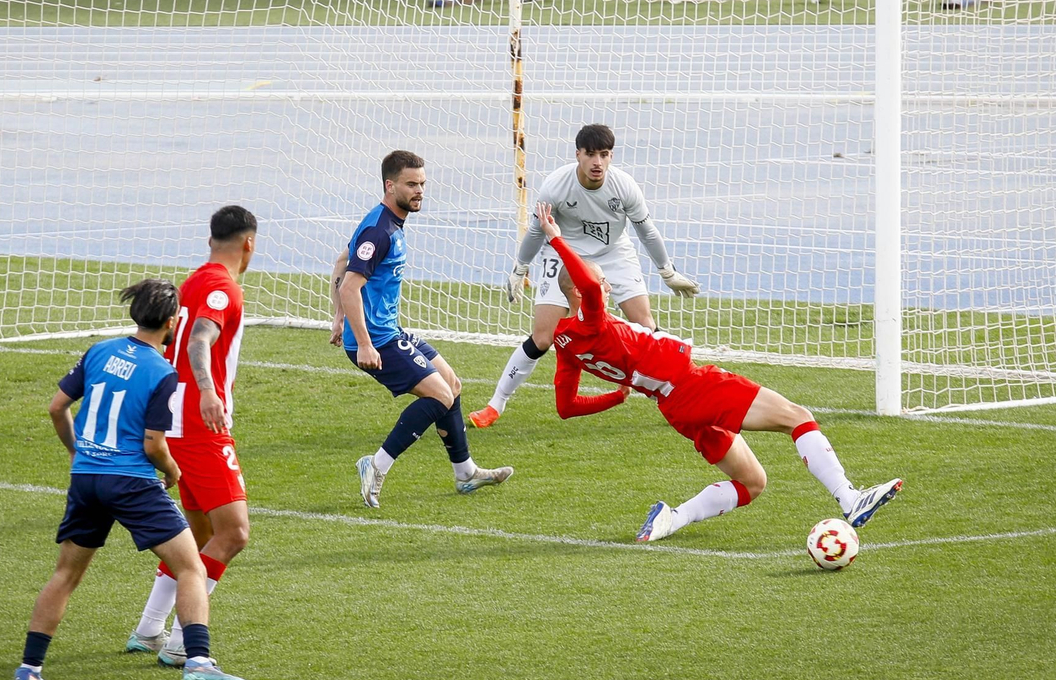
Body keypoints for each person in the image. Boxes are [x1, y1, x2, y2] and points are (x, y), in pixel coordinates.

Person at [530, 203, 903, 542]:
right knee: (798, 417)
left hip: (675, 408)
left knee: (752, 482)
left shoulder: (565, 344)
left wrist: (615, 396)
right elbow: (592, 284)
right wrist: (557, 239)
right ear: (579, 291)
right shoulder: (591, 320)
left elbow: (566, 406)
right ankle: (850, 498)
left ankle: (671, 518)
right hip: (693, 386)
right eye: (602, 281)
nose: (609, 286)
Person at [13, 279, 251, 680]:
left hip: (86, 478)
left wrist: (76, 452)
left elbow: (56, 407)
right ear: (173, 322)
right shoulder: (162, 371)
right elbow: (154, 444)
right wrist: (173, 471)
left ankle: (29, 667)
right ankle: (197, 659)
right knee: (191, 566)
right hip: (132, 482)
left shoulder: (99, 350)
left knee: (66, 574)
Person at [471, 123, 699, 429]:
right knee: (543, 337)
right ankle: (495, 405)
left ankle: (683, 394)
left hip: (614, 253)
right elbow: (539, 230)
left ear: (611, 156)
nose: (597, 162)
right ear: (578, 154)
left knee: (645, 325)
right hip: (564, 252)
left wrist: (667, 272)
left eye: (604, 155)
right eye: (590, 154)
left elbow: (646, 231)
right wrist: (520, 268)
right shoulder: (556, 186)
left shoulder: (625, 187)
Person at [331, 149, 513, 508]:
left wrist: (337, 317)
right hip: (376, 339)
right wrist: (363, 342)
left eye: (423, 184)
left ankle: (465, 473)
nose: (419, 191)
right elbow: (350, 286)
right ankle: (376, 464)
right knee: (439, 396)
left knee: (452, 384)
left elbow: (341, 260)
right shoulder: (379, 229)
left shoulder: (389, 221)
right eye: (411, 184)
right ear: (390, 185)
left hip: (390, 330)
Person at [123, 206, 259, 669]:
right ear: (249, 244)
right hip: (200, 425)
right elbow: (200, 340)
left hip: (174, 421)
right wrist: (207, 391)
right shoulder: (223, 288)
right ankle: (185, 639)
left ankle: (148, 629)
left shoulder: (196, 279)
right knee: (234, 532)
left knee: (199, 533)